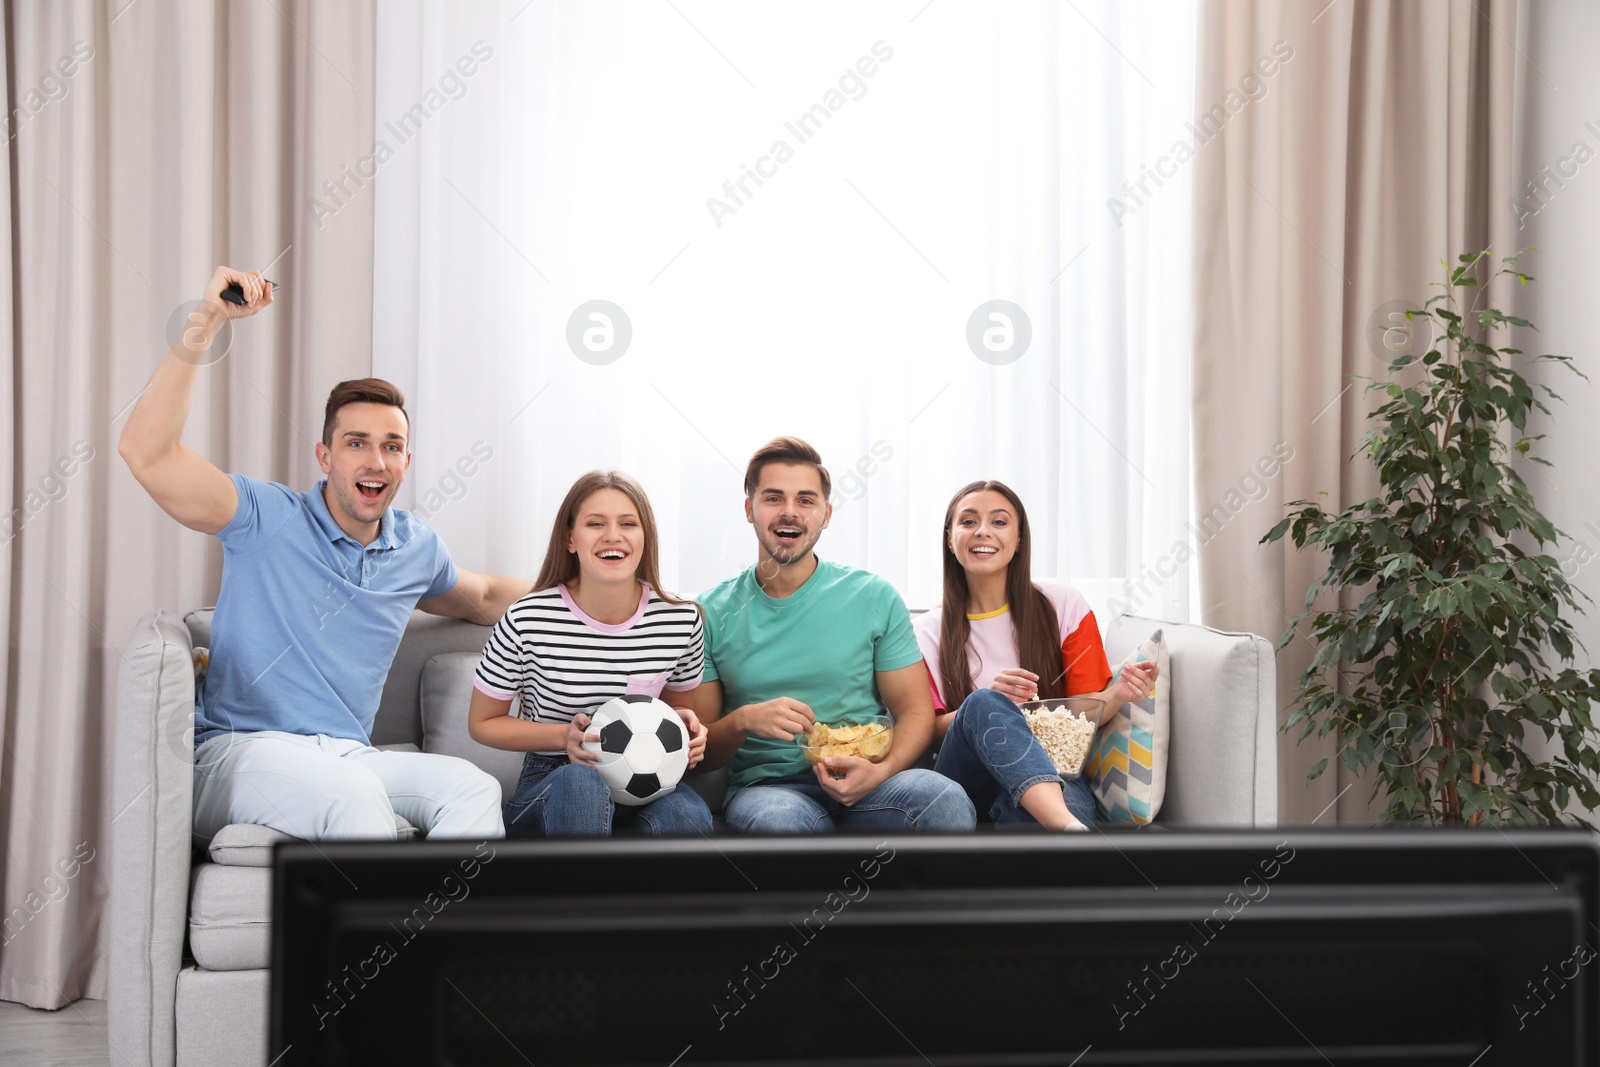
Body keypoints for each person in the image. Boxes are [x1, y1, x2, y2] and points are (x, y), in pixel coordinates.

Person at [119, 266, 529, 842]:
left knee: (472, 787)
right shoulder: (264, 517)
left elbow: (485, 597)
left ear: (406, 463)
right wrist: (207, 318)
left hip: (345, 756)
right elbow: (147, 453)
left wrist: (612, 592)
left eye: (391, 447)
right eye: (356, 443)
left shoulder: (414, 548)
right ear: (325, 456)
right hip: (237, 754)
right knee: (352, 794)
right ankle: (379, 937)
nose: (375, 462)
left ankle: (450, 936)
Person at [694, 437, 975, 833]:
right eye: (773, 498)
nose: (789, 513)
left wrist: (885, 770)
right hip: (774, 789)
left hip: (875, 779)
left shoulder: (873, 595)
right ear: (749, 509)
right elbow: (700, 751)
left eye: (805, 501)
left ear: (826, 514)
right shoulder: (710, 612)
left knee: (944, 800)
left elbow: (915, 710)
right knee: (780, 827)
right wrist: (743, 720)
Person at [468, 471, 712, 836]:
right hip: (554, 779)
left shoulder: (681, 619)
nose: (612, 535)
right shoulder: (527, 618)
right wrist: (564, 737)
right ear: (570, 538)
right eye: (595, 523)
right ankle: (587, 891)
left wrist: (689, 731)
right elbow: (481, 723)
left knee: (686, 816)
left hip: (646, 777)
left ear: (645, 538)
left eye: (628, 523)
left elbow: (676, 710)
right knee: (583, 785)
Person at [914, 480, 1158, 830]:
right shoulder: (924, 633)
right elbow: (930, 731)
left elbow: (1083, 711)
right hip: (964, 783)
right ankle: (1067, 827)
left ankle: (1063, 828)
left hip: (1053, 768)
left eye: (999, 522)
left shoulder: (1063, 605)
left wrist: (1116, 695)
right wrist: (992, 704)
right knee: (984, 702)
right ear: (950, 539)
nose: (983, 531)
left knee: (1048, 811)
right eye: (968, 522)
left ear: (1019, 540)